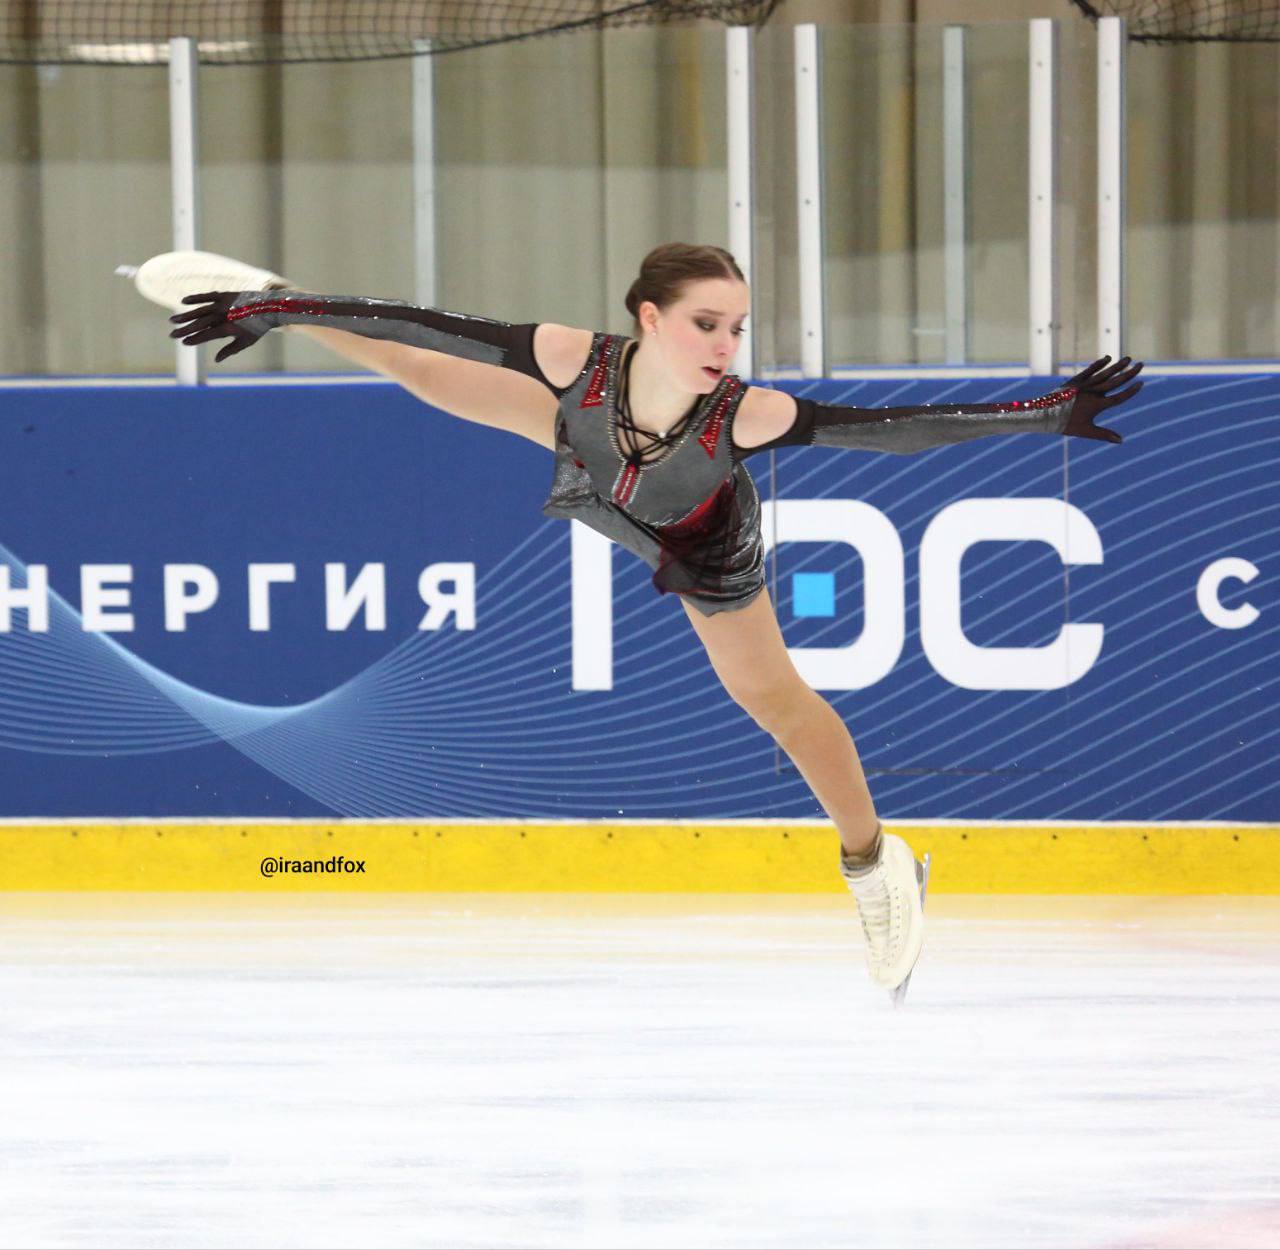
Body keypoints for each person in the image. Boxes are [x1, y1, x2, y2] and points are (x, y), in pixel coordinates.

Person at [148, 241, 1145, 999]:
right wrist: (275, 309)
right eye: (706, 323)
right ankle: (277, 291)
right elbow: (419, 324)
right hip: (590, 458)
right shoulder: (569, 357)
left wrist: (1044, 413)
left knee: (775, 701)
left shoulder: (742, 414)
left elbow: (896, 434)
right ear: (649, 317)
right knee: (416, 367)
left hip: (701, 540)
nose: (724, 345)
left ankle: (874, 863)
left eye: (735, 328)